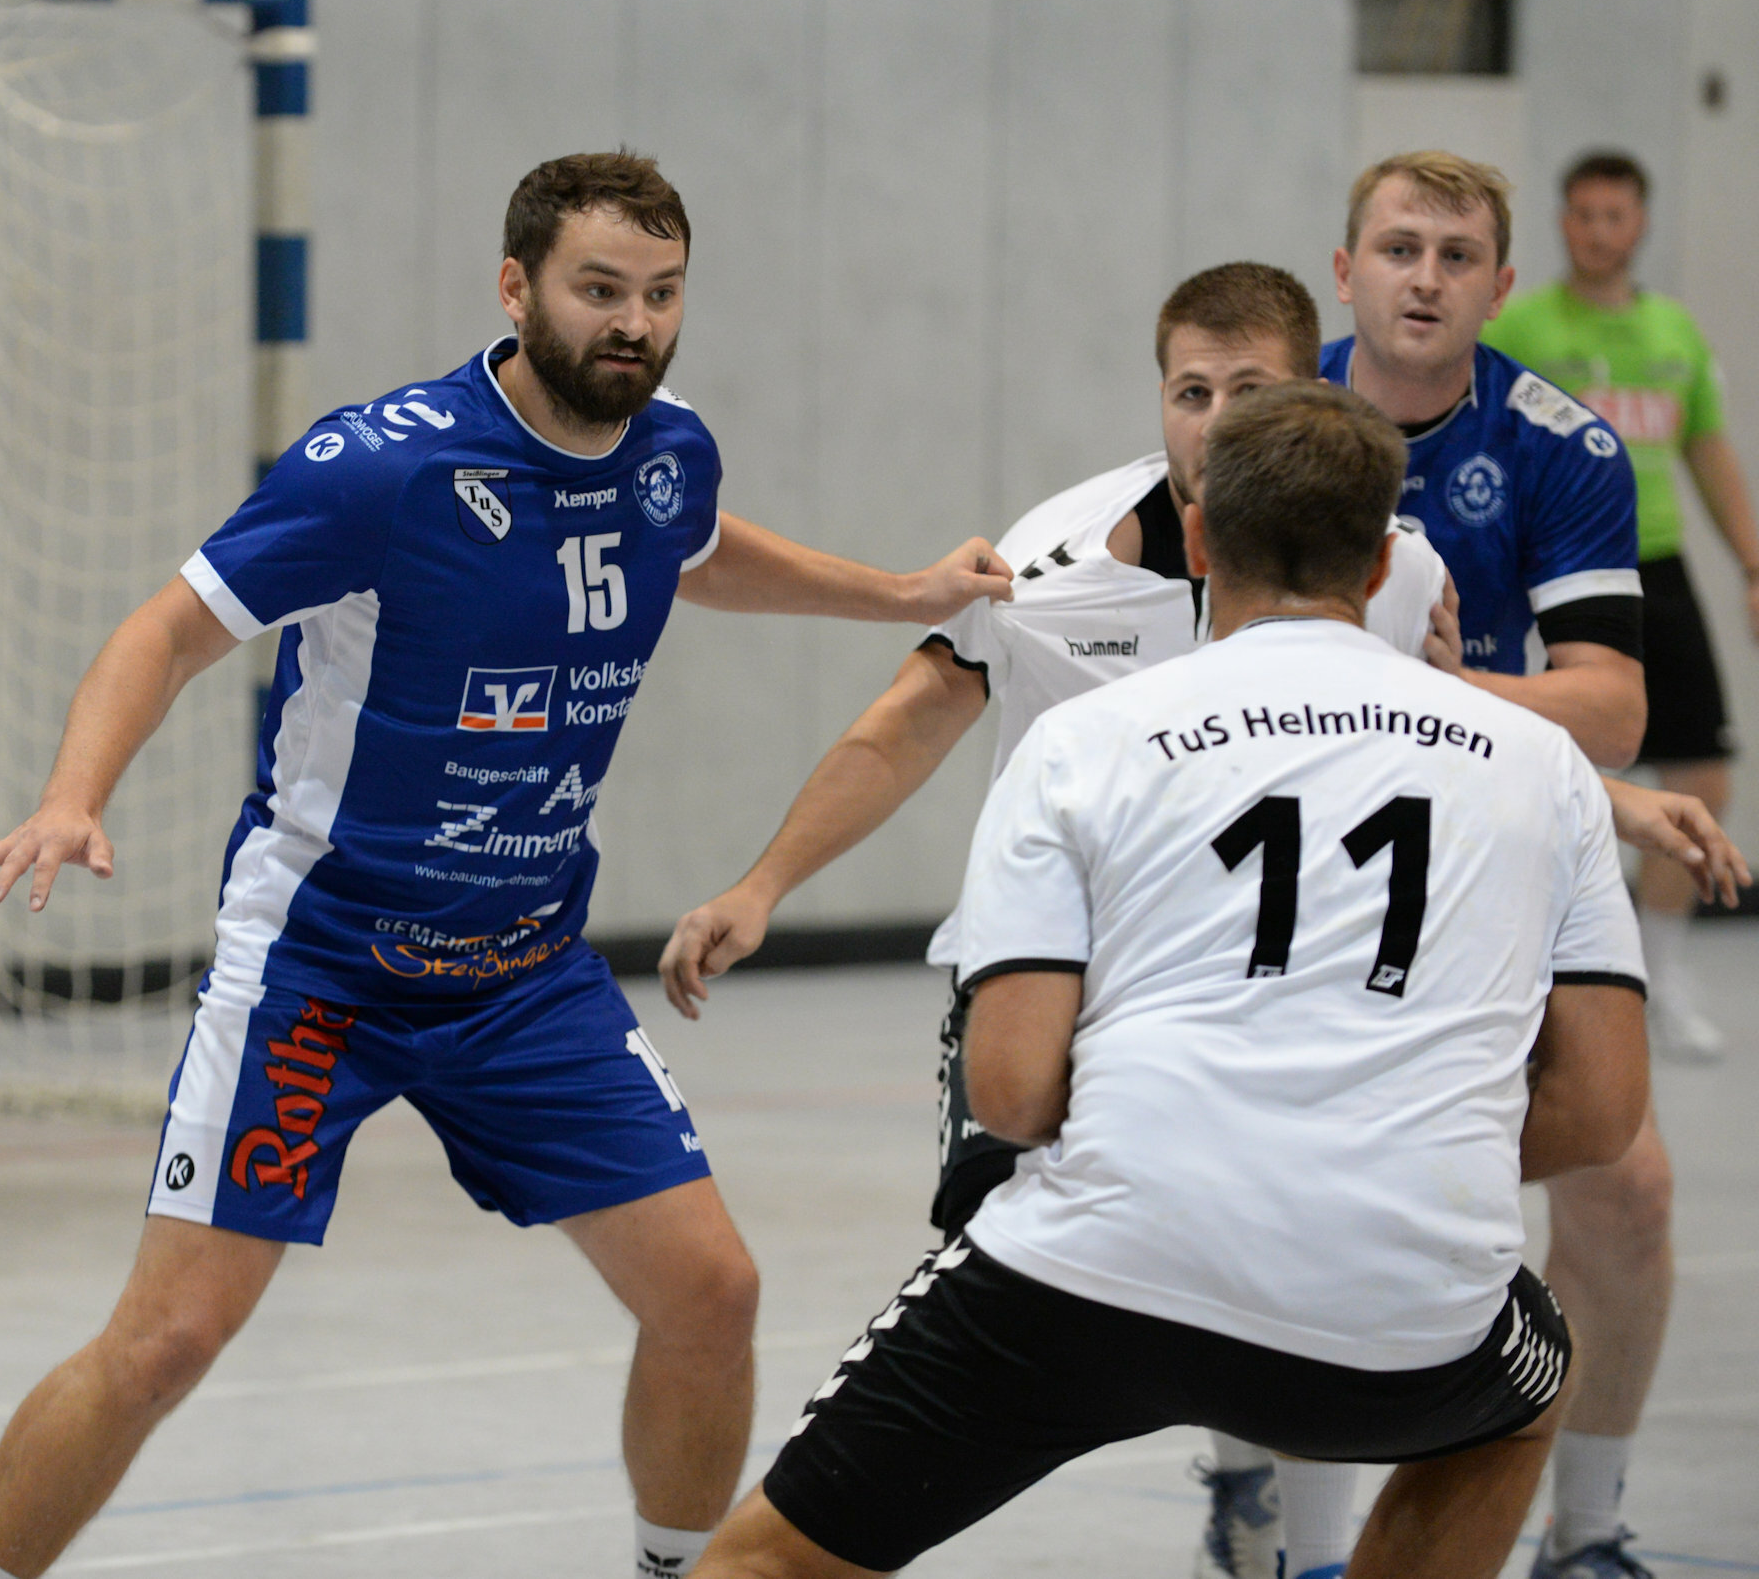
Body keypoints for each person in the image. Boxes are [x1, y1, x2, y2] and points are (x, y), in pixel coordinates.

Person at [0, 150, 1016, 1579]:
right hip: (322, 966)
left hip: (521, 974)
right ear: (517, 290)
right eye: (600, 291)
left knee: (711, 1291)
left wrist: (898, 591)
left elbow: (689, 546)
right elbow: (171, 629)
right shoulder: (382, 466)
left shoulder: (671, 448)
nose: (633, 322)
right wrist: (75, 794)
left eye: (662, 294)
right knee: (170, 1337)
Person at [689, 379, 1652, 1579]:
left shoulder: (1084, 743)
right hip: (1405, 1308)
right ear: (1380, 564)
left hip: (1105, 1273)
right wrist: (1376, 1139)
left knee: (760, 1565)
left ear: (1199, 540)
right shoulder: (1544, 765)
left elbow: (1011, 1093)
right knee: (1525, 1381)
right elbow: (1604, 1110)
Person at [1304, 151, 1693, 1579]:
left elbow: (1614, 703)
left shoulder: (1563, 447)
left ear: (1501, 284)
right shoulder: (1268, 424)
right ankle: (1273, 1505)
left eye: (1457, 255)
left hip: (1495, 849)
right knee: (1279, 1167)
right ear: (1344, 272)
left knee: (1628, 1186)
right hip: (1299, 855)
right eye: (1399, 247)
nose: (1426, 275)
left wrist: (1420, 690)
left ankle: (1586, 1530)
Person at [1484, 149, 1759, 1065]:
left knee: (1702, 781)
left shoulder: (1675, 334)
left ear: (1638, 225)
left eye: (1615, 215)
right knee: (1525, 760)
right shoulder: (1520, 324)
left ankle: (1664, 978)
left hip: (1656, 564)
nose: (1599, 230)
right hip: (1548, 571)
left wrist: (1754, 563)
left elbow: (1709, 455)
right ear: (1564, 224)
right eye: (1583, 214)